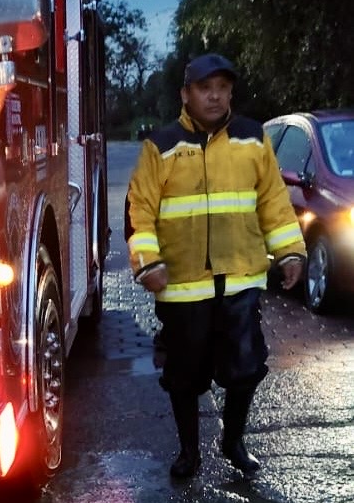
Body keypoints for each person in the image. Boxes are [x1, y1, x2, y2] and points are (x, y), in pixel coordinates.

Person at [125, 53, 305, 479]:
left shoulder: (251, 137)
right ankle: (190, 453)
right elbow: (139, 210)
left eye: (223, 88)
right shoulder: (162, 146)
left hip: (241, 280)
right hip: (184, 288)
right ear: (185, 94)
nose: (215, 96)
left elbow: (274, 202)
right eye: (206, 88)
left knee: (246, 368)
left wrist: (291, 252)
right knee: (185, 376)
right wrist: (147, 263)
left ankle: (233, 441)